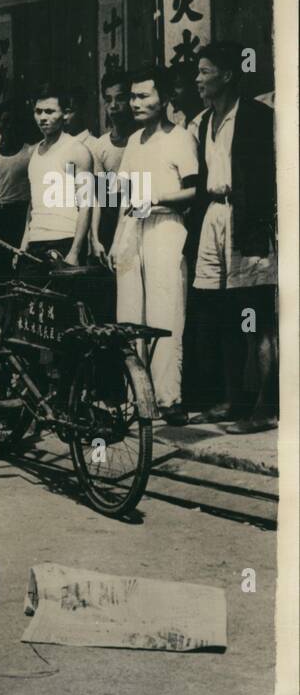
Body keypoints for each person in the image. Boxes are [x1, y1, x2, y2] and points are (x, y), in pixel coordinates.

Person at [191, 42, 277, 434]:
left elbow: (270, 178)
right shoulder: (204, 121)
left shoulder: (259, 116)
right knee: (226, 313)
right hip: (214, 215)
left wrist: (261, 228)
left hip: (248, 219)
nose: (198, 79)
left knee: (255, 316)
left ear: (226, 75)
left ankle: (266, 407)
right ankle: (234, 400)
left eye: (205, 71)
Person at [110, 65, 198, 426]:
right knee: (129, 314)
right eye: (132, 96)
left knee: (165, 313)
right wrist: (117, 238)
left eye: (143, 95)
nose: (135, 103)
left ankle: (167, 398)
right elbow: (125, 195)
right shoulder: (133, 141)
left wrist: (158, 197)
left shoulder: (180, 137)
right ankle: (136, 398)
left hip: (165, 227)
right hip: (133, 228)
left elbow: (195, 190)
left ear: (163, 99)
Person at [20, 83, 91, 274]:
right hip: (35, 243)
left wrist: (75, 251)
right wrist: (23, 245)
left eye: (50, 112)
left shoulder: (77, 151)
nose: (43, 118)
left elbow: (86, 205)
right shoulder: (33, 152)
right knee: (30, 302)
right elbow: (33, 204)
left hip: (64, 240)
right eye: (38, 111)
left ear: (65, 114)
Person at [84, 70, 135, 263]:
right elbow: (99, 197)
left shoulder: (142, 140)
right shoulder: (101, 145)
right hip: (109, 222)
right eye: (108, 99)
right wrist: (95, 238)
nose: (114, 106)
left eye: (120, 99)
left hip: (138, 218)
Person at [0, 98, 33, 287]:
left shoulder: (30, 151)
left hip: (19, 215)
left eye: (10, 121)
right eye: (2, 121)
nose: (5, 126)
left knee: (18, 266)